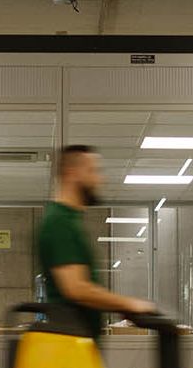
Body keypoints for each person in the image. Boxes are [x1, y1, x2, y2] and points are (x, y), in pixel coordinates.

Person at [38, 145, 155, 339]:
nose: (100, 179)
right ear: (71, 173)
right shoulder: (59, 221)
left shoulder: (69, 220)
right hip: (70, 350)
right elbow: (77, 289)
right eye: (93, 171)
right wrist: (129, 304)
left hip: (79, 345)